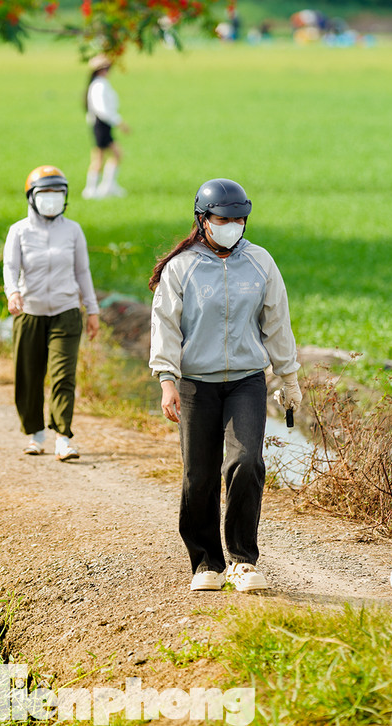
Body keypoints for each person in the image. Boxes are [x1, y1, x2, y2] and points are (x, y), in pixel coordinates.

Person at [148, 179, 301, 593]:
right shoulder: (182, 267)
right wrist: (167, 380)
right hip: (196, 385)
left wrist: (288, 377)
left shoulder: (260, 262)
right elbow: (165, 326)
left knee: (246, 462)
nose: (232, 226)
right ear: (203, 220)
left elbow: (277, 322)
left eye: (239, 219)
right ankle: (205, 563)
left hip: (247, 382)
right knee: (199, 475)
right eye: (223, 219)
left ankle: (242, 561)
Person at [3, 165, 100, 461]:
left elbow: (82, 271)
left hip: (65, 311)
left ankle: (63, 438)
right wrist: (13, 292)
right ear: (31, 197)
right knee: (28, 376)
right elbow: (10, 267)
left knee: (63, 376)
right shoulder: (19, 231)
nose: (52, 197)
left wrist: (92, 309)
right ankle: (35, 435)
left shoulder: (73, 231)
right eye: (45, 192)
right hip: (29, 312)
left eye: (58, 192)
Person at [81, 56, 129, 199]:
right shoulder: (99, 85)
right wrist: (119, 122)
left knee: (111, 155)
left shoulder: (100, 84)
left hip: (103, 125)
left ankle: (107, 186)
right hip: (101, 124)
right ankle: (93, 189)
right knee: (103, 157)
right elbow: (102, 109)